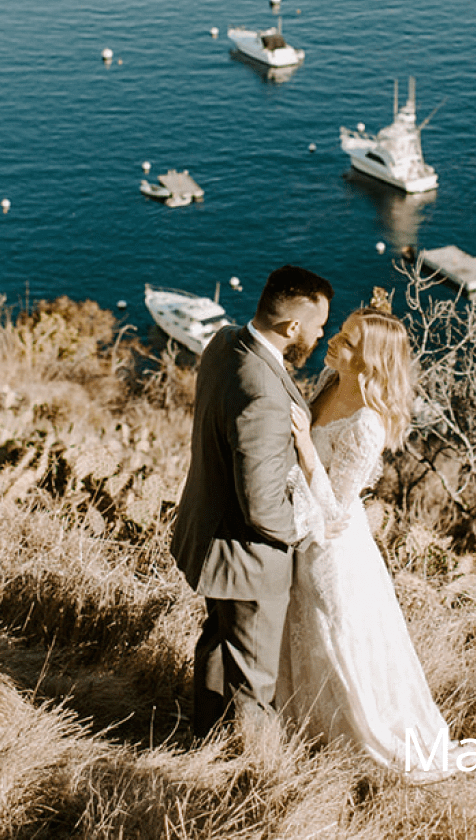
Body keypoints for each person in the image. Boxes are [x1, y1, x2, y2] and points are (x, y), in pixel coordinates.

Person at [277, 305, 455, 780]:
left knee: (335, 639)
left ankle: (348, 738)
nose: (334, 340)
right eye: (341, 332)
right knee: (301, 634)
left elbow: (335, 508)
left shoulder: (367, 425)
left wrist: (305, 448)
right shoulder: (331, 384)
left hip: (332, 545)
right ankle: (299, 724)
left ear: (371, 361)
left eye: (350, 340)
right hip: (301, 526)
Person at [170, 264, 334, 738]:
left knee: (218, 649)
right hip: (247, 560)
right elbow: (262, 506)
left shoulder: (224, 342)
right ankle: (256, 785)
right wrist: (308, 528)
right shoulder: (264, 391)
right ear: (292, 328)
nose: (322, 335)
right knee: (255, 688)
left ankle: (205, 744)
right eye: (318, 326)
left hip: (209, 539)